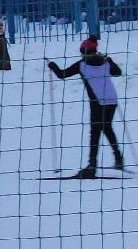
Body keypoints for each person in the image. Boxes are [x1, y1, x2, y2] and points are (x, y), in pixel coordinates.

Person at [47, 37, 125, 178]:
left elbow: (62, 74)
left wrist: (52, 65)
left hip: (97, 102)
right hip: (111, 99)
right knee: (107, 127)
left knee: (95, 132)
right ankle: (118, 159)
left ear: (83, 52)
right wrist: (109, 60)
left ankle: (92, 165)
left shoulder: (82, 65)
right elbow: (117, 72)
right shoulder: (105, 61)